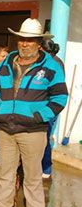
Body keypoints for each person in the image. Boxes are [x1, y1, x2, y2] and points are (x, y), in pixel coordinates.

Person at [0, 18, 68, 207]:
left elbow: (60, 98)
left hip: (33, 131)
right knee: (5, 172)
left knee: (33, 175)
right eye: (22, 39)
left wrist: (39, 116)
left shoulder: (50, 67)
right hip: (6, 128)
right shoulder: (6, 63)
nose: (25, 44)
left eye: (30, 40)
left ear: (39, 43)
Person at [39, 39, 64, 178]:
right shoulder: (52, 61)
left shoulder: (54, 64)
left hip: (49, 107)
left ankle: (46, 168)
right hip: (46, 106)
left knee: (44, 138)